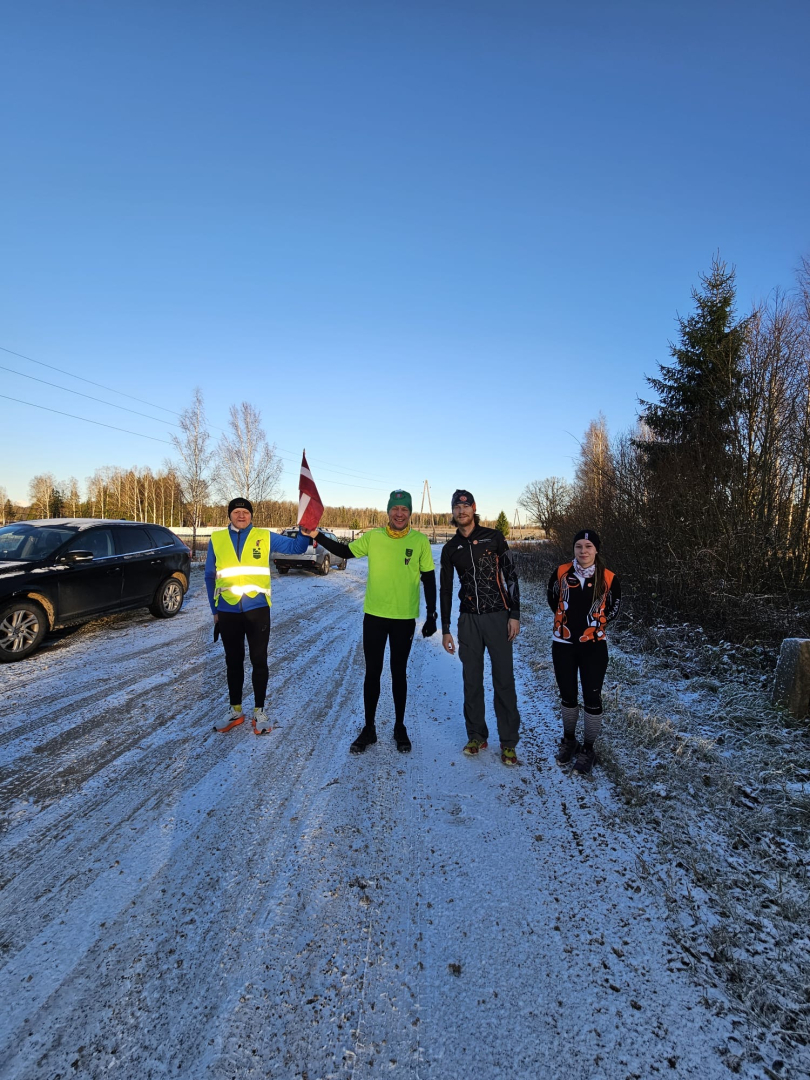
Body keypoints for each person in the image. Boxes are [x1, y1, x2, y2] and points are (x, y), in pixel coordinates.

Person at [303, 489, 437, 754]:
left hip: (403, 619)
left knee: (398, 673)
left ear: (410, 513)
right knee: (372, 673)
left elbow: (429, 578)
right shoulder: (373, 537)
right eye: (395, 509)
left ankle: (399, 726)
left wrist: (432, 614)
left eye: (404, 509)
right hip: (375, 616)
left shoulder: (420, 541)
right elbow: (344, 551)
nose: (399, 514)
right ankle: (369, 728)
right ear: (388, 511)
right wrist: (317, 535)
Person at [206, 497, 310, 735]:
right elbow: (210, 575)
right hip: (228, 610)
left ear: (251, 515)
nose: (241, 515)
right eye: (236, 512)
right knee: (233, 661)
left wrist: (304, 532)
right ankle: (235, 710)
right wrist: (215, 610)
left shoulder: (264, 536)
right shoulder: (217, 539)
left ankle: (259, 711)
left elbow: (297, 548)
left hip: (258, 609)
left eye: (245, 512)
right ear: (229, 515)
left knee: (259, 660)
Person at [440, 490, 521, 766]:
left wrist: (514, 614)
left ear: (474, 508)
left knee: (504, 680)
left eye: (466, 506)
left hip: (498, 616)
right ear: (453, 511)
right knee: (472, 680)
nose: (461, 511)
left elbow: (511, 575)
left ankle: (508, 742)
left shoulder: (494, 537)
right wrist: (446, 628)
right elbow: (446, 589)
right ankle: (476, 735)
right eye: (457, 506)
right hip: (469, 620)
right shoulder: (450, 548)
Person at [547, 529, 621, 774]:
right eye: (579, 546)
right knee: (567, 695)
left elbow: (613, 609)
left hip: (594, 647)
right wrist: (568, 622)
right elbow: (553, 599)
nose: (583, 551)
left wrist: (594, 625)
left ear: (596, 549)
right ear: (573, 549)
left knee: (592, 698)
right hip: (563, 644)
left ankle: (588, 749)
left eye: (588, 546)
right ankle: (570, 740)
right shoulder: (561, 572)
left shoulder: (609, 578)